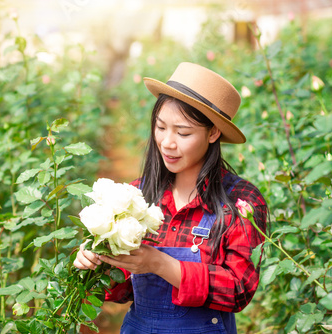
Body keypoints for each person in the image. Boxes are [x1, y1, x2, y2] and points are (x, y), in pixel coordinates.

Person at [74, 62, 267, 334]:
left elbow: (238, 290)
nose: (167, 142)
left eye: (183, 132)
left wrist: (160, 264)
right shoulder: (135, 196)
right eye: (161, 127)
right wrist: (98, 264)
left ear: (213, 133)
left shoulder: (240, 202)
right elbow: (121, 290)